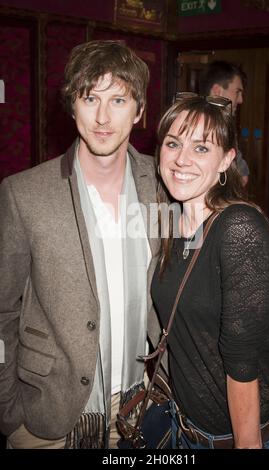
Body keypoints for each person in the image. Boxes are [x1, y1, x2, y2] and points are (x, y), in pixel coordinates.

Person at [0, 40, 160, 449]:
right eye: (90, 98)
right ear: (72, 106)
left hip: (144, 409)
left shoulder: (164, 186)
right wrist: (7, 409)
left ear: (139, 111)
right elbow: (2, 309)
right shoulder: (24, 194)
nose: (103, 117)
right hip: (45, 416)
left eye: (119, 99)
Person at [150, 95, 269, 449]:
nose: (182, 159)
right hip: (184, 430)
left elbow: (243, 366)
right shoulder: (172, 225)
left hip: (244, 437)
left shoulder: (238, 227)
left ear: (226, 161)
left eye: (201, 148)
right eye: (173, 144)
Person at [198, 60, 250, 187]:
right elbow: (242, 177)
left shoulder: (222, 123)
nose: (241, 100)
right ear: (217, 91)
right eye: (237, 92)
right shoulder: (205, 124)